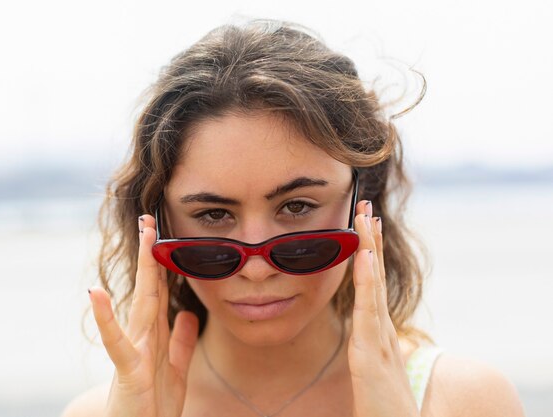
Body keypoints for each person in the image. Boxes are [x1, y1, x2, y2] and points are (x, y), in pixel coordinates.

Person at [62, 20, 525, 417]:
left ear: (365, 201)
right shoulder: (103, 412)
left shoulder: (461, 399)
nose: (257, 266)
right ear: (158, 223)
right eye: (213, 214)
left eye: (297, 207)